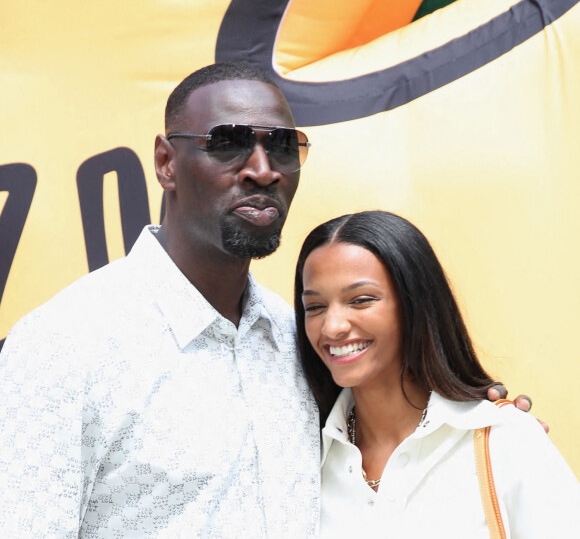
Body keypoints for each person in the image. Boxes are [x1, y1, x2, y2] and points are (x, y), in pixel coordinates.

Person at [0, 62, 533, 537]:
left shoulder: (301, 338)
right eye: (228, 142)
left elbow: (388, 437)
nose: (262, 169)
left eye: (281, 146)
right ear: (166, 162)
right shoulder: (64, 346)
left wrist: (483, 422)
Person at [294, 210, 579, 538]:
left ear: (415, 304)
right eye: (314, 307)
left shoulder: (505, 440)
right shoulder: (305, 462)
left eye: (360, 300)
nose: (332, 326)